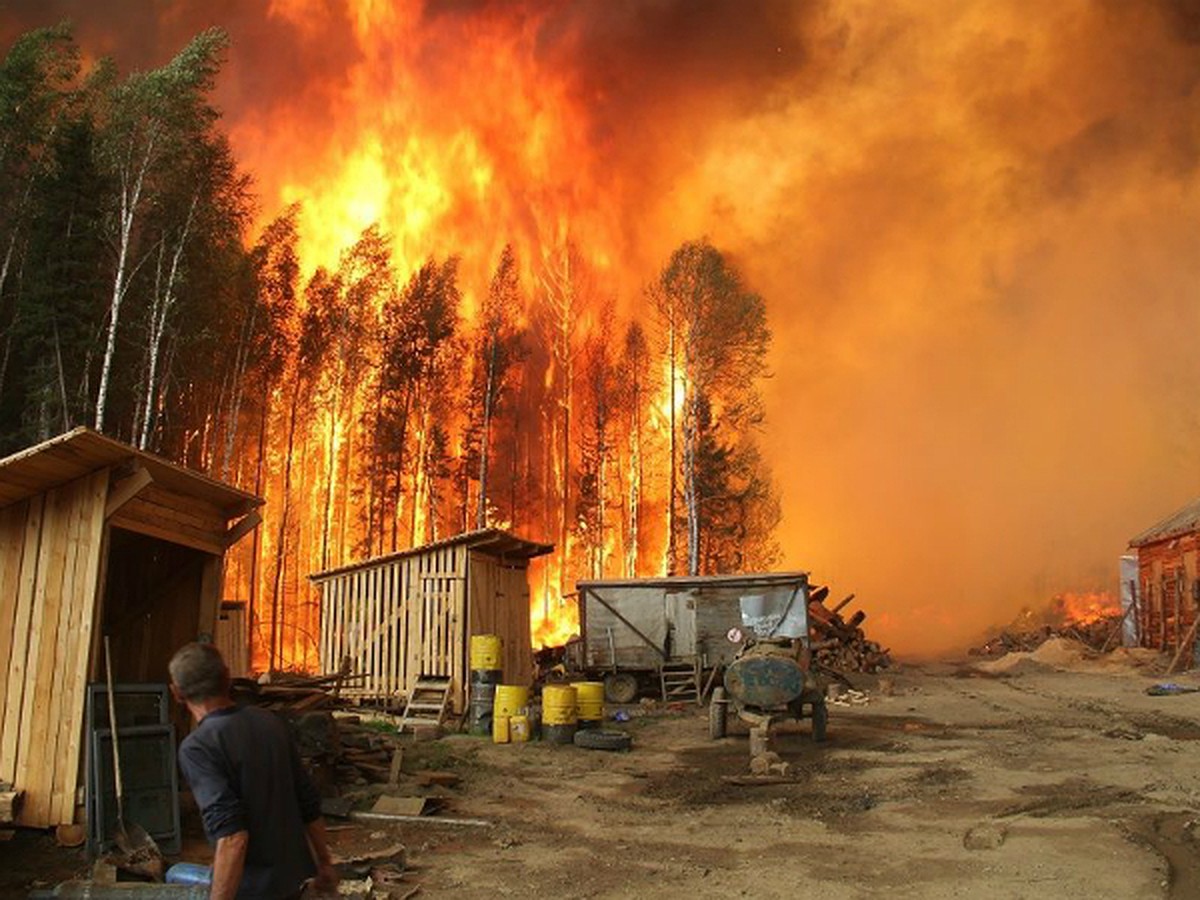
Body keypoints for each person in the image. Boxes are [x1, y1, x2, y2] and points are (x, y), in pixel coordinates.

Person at [168, 642, 338, 900]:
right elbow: (308, 802)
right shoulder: (269, 723)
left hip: (250, 890)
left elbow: (233, 837)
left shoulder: (198, 748)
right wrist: (324, 863)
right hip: (291, 884)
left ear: (177, 693)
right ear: (227, 678)